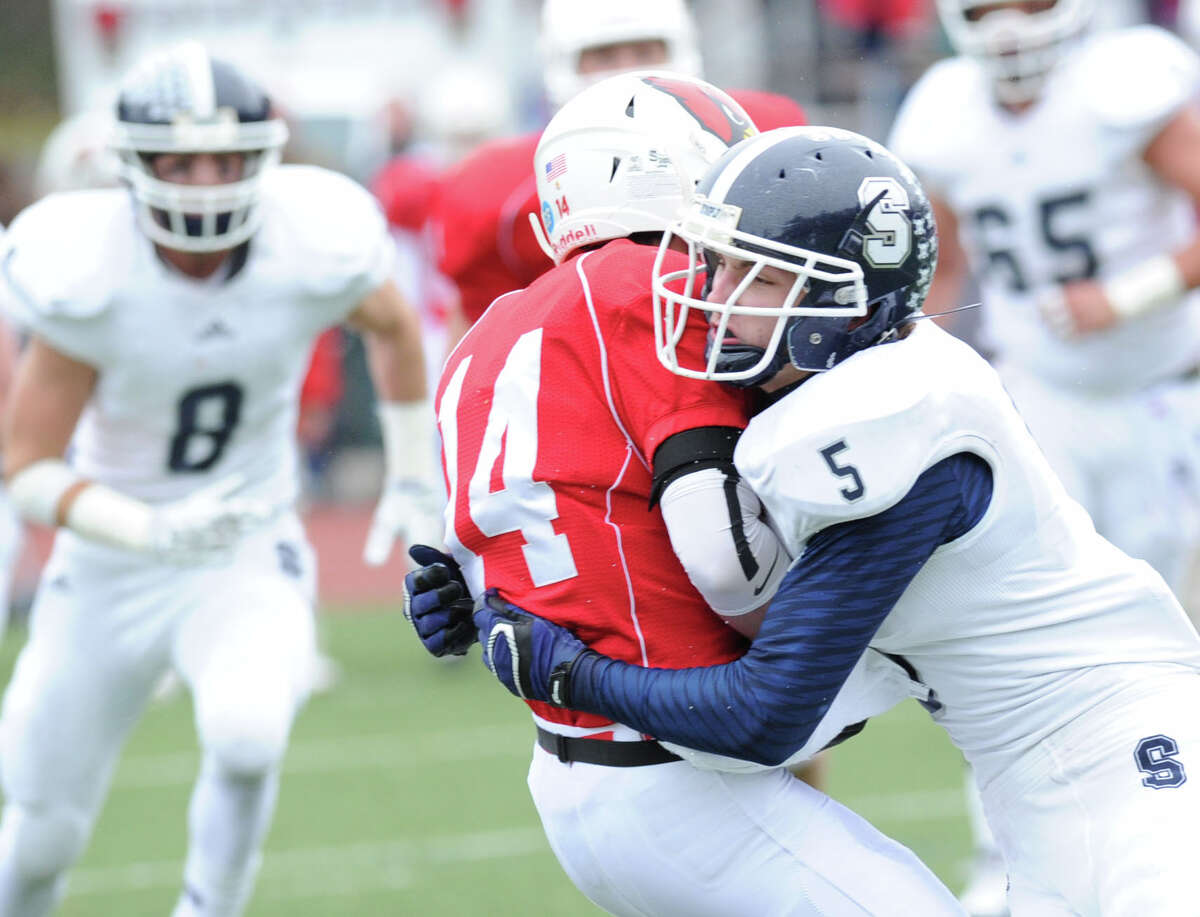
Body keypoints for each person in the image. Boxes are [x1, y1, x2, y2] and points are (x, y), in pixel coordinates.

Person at [442, 126, 1200, 915]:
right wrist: (485, 588)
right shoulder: (814, 399)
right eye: (721, 262)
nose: (715, 295)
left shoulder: (896, 414)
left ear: (842, 297)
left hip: (1130, 754)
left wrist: (570, 672)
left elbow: (762, 716)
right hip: (1037, 783)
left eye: (759, 276)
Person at [407, 75, 962, 916]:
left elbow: (496, 547)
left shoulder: (485, 334)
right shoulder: (645, 284)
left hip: (574, 769)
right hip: (679, 764)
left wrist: (472, 600)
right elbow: (727, 566)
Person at [0, 42, 441, 917]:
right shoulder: (91, 271)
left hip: (246, 546)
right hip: (107, 567)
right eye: (179, 161)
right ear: (134, 165)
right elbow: (24, 465)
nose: (204, 181)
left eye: (225, 159)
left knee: (246, 735)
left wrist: (413, 471)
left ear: (261, 159)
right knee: (41, 833)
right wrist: (145, 528)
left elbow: (394, 327)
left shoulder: (308, 245)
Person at [886, 4, 1200, 909]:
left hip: (1161, 384)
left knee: (1159, 618)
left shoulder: (1126, 85)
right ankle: (1010, 861)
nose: (1012, 27)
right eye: (990, 7)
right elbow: (938, 273)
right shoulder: (944, 110)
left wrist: (1130, 293)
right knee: (1029, 629)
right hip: (1037, 397)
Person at [429, 0, 810, 336]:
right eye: (605, 55)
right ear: (560, 63)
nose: (628, 72)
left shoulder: (762, 130)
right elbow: (485, 340)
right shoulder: (501, 191)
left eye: (646, 50)